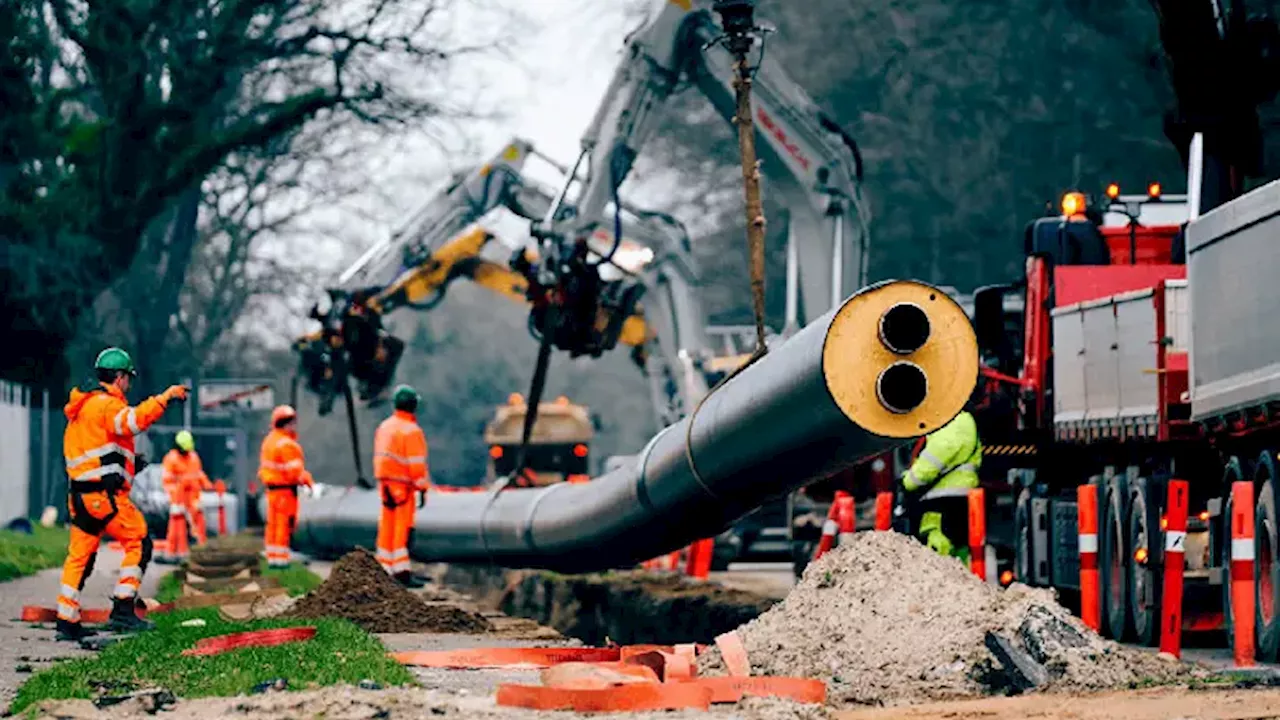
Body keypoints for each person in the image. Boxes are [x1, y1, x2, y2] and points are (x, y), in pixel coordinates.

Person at [56, 347, 188, 640]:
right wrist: (164, 398)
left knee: (80, 556)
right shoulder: (106, 405)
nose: (128, 384)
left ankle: (66, 620)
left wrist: (129, 467)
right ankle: (124, 609)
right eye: (127, 378)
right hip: (103, 497)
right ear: (118, 378)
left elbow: (98, 453)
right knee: (139, 542)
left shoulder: (82, 409)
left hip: (80, 495)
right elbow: (133, 422)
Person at [899, 407, 982, 560]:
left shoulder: (951, 421)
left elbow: (935, 458)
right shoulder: (962, 420)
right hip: (957, 498)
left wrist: (908, 480)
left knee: (939, 550)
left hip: (942, 500)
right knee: (959, 553)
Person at [373, 385, 430, 588]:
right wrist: (422, 487)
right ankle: (401, 572)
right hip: (403, 486)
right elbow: (416, 465)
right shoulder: (411, 431)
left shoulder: (385, 426)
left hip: (385, 484)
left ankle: (384, 568)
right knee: (402, 529)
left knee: (387, 526)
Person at [259, 405, 314, 568]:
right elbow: (295, 472)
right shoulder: (288, 445)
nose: (294, 426)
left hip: (272, 491)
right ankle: (282, 560)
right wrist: (309, 482)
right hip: (285, 492)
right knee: (284, 524)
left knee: (273, 525)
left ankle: (272, 558)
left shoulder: (269, 441)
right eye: (291, 422)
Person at [162, 430, 211, 560]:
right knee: (177, 525)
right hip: (179, 497)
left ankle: (201, 552)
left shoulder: (193, 457)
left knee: (199, 524)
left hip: (193, 496)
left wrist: (207, 484)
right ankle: (175, 553)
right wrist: (175, 497)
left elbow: (198, 473)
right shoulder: (171, 459)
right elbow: (167, 481)